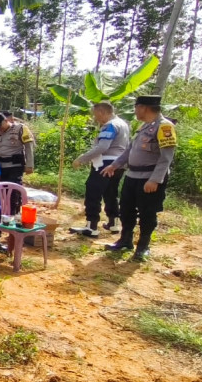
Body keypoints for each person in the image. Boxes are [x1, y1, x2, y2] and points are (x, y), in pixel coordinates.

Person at [102, 95, 177, 261]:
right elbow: (129, 150)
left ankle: (143, 246)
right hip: (132, 175)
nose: (135, 111)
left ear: (144, 108)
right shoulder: (144, 126)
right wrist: (115, 165)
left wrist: (155, 179)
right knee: (126, 209)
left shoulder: (164, 126)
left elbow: (166, 157)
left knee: (147, 213)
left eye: (136, 107)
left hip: (149, 178)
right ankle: (125, 240)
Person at [70, 102, 130, 237]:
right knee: (111, 193)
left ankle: (91, 226)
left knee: (93, 191)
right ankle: (113, 222)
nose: (95, 118)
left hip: (105, 163)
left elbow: (102, 147)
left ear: (102, 112)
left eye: (95, 114)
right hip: (119, 164)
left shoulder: (110, 125)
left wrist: (82, 159)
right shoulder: (123, 124)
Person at [0, 113, 34, 213]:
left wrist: (30, 165)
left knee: (14, 191)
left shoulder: (20, 128)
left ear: (6, 121)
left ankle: (14, 213)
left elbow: (28, 146)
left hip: (15, 165)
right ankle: (2, 213)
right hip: (1, 166)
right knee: (1, 190)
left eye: (0, 125)